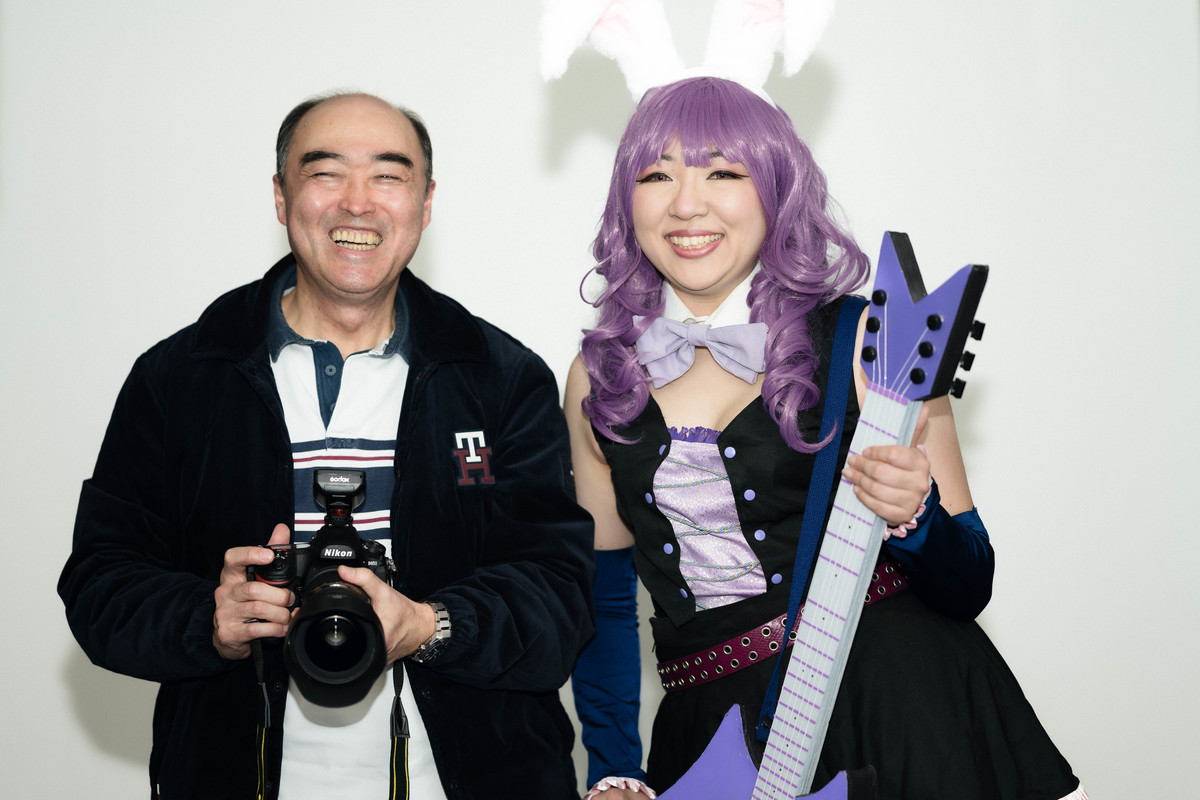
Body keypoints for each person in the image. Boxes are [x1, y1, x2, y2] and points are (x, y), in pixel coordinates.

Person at [58, 91, 594, 800]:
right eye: (326, 173)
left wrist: (430, 624)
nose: (357, 202)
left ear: (426, 203)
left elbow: (562, 592)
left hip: (475, 776)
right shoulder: (182, 378)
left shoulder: (500, 379)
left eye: (388, 175)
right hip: (233, 772)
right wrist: (209, 618)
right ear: (281, 197)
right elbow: (99, 582)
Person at [566, 76, 1084, 800]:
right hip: (706, 734)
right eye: (657, 175)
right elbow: (605, 596)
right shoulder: (598, 377)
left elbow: (971, 580)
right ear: (628, 201)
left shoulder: (874, 336)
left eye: (724, 173)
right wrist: (615, 762)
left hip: (899, 709)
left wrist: (916, 516)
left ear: (776, 190)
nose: (686, 203)